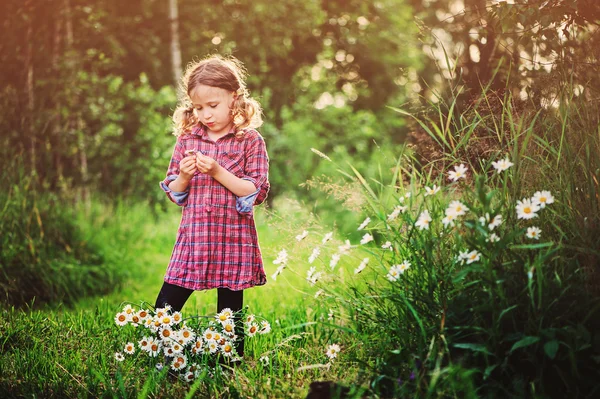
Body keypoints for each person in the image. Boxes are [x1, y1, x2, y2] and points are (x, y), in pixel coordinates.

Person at [155, 55, 270, 358]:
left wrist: (218, 171)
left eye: (213, 105)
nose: (205, 114)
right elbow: (175, 192)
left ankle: (229, 360)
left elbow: (254, 191)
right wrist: (184, 175)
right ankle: (166, 353)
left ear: (234, 97)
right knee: (166, 304)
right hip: (194, 236)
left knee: (229, 311)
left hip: (232, 237)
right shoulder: (188, 139)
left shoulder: (250, 141)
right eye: (198, 107)